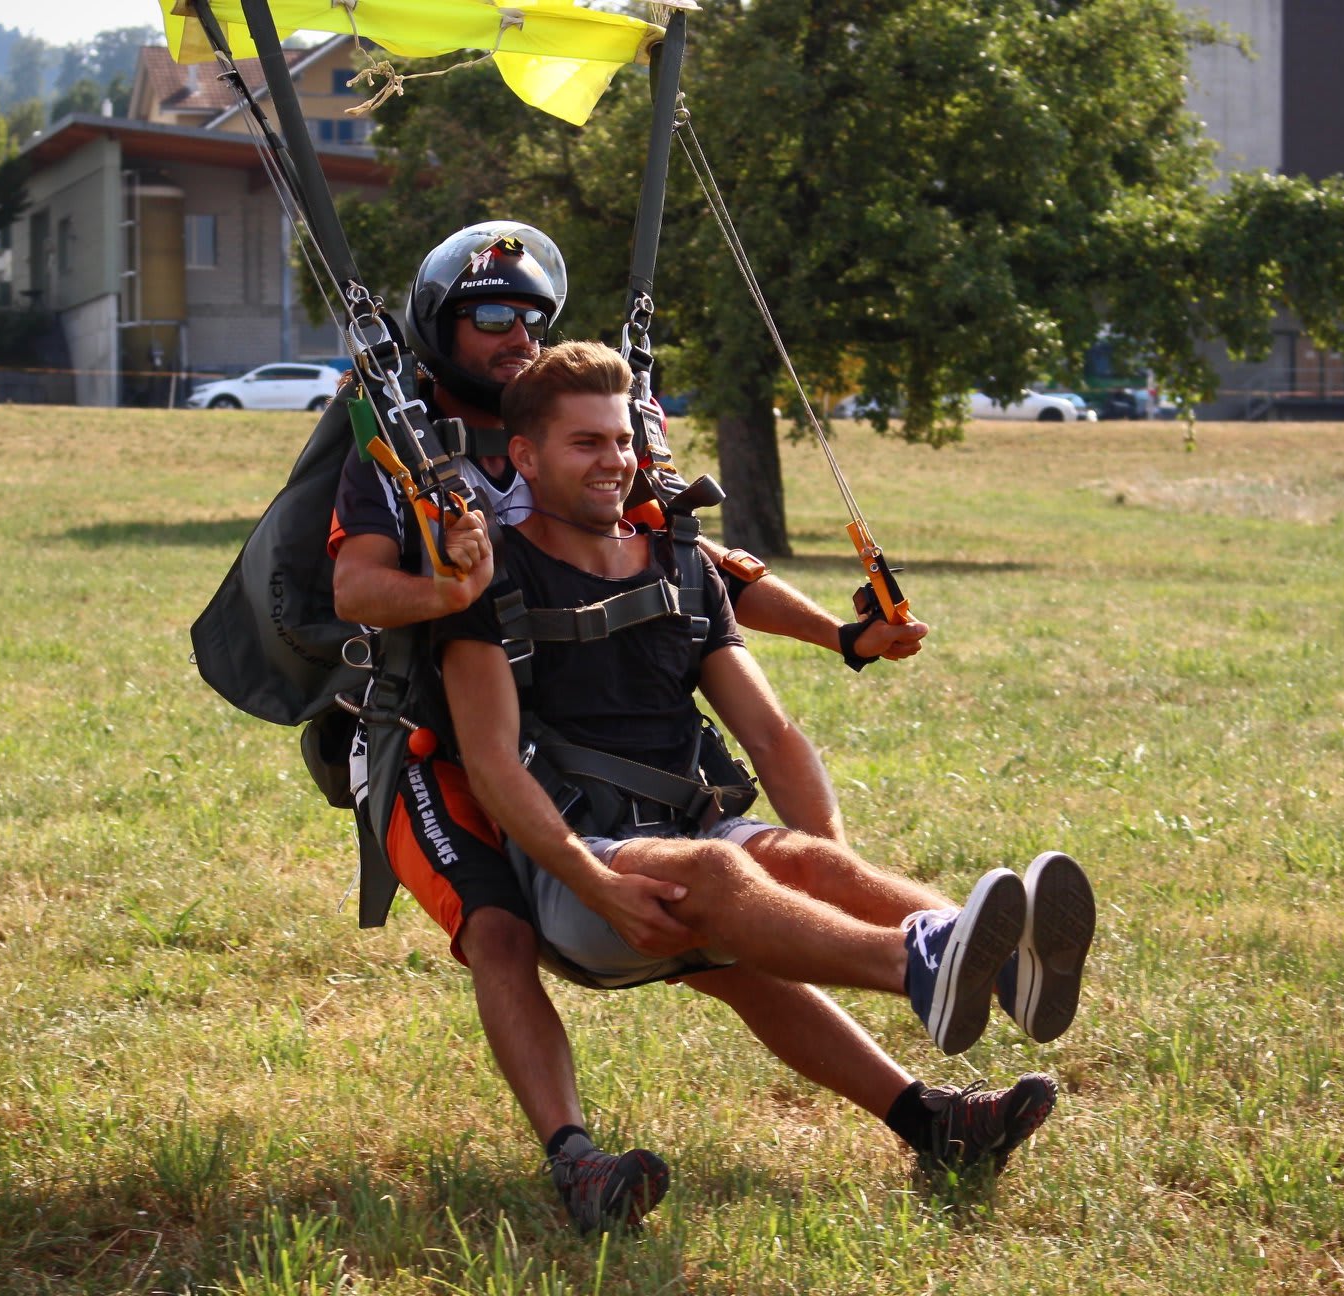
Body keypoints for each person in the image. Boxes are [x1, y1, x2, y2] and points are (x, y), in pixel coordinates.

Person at [330, 224, 1051, 1231]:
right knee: (499, 930)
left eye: (532, 318)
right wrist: (451, 584)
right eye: (489, 318)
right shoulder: (395, 443)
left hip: (580, 751)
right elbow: (355, 586)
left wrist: (843, 639)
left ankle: (964, 1027)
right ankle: (573, 1157)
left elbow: (704, 570)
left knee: (752, 916)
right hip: (430, 738)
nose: (516, 337)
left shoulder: (588, 425)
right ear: (438, 327)